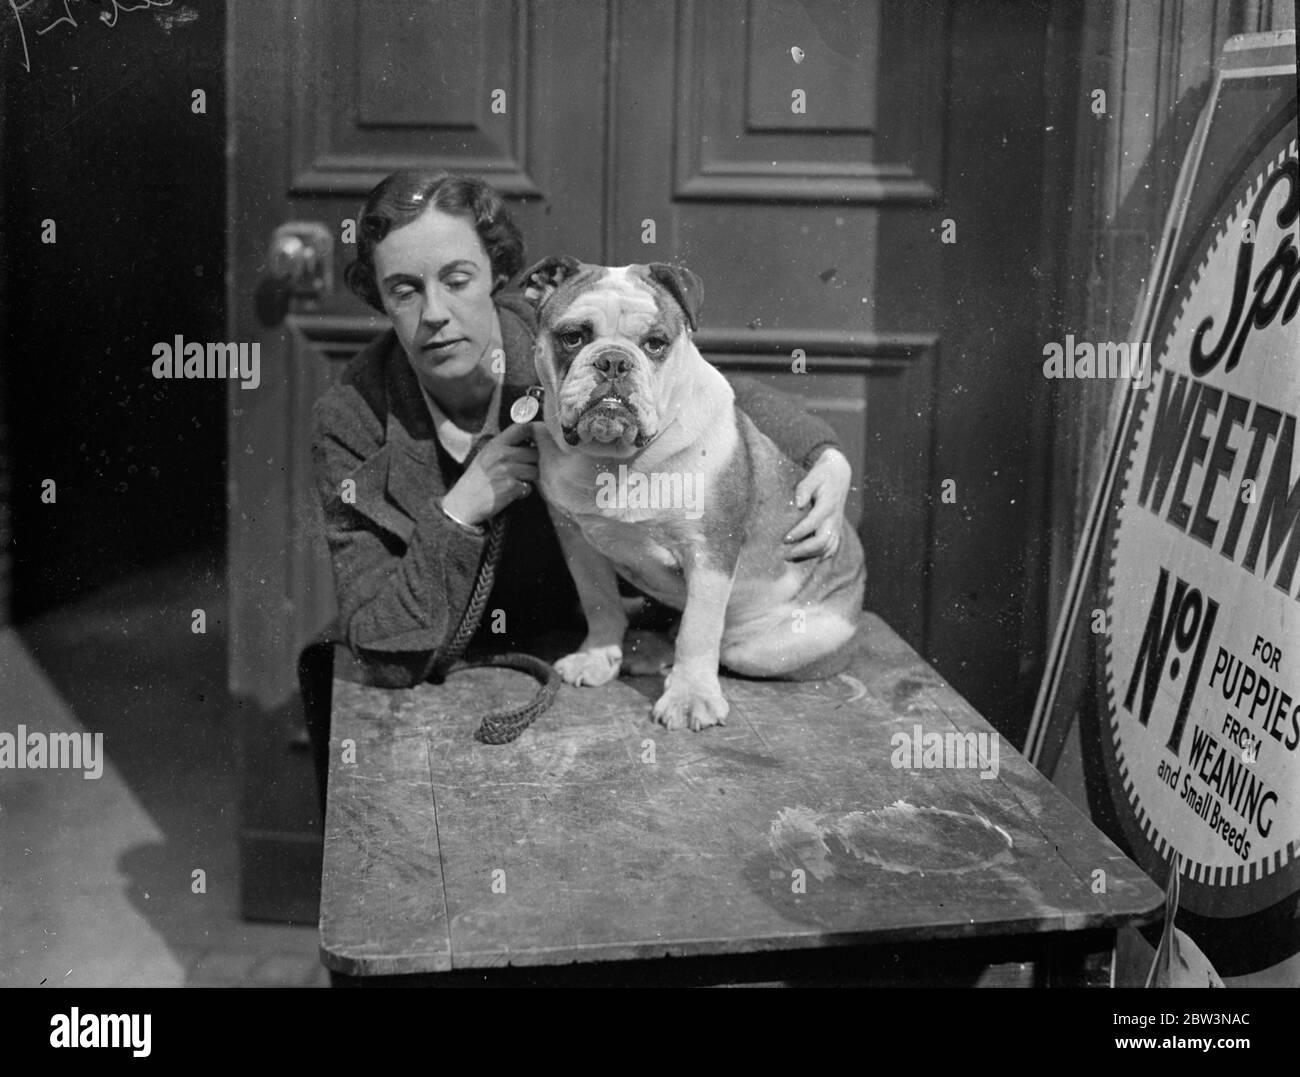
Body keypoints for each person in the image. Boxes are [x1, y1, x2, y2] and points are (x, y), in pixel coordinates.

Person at [305, 171, 852, 784]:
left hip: (589, 644)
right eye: (404, 290)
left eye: (457, 280)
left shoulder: (545, 325)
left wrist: (826, 454)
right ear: (379, 299)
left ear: (501, 276)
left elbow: (709, 391)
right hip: (452, 681)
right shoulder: (351, 417)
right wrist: (457, 513)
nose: (436, 313)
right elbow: (378, 641)